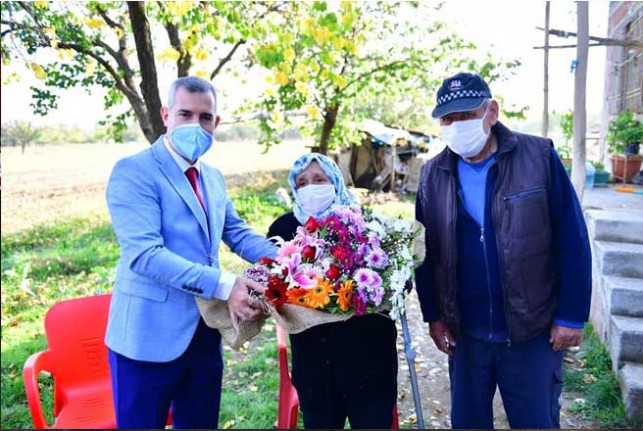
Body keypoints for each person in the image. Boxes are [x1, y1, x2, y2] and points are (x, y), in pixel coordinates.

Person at [414, 72, 592, 429]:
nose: (456, 125)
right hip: (467, 334)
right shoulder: (433, 174)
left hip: (530, 330)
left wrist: (571, 316)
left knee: (535, 422)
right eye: (448, 119)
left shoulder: (538, 157)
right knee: (468, 422)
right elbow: (424, 253)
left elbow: (572, 238)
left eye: (466, 115)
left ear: (491, 112)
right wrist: (433, 315)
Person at [104, 76, 277, 429]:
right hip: (146, 337)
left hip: (204, 331)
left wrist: (289, 257)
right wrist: (225, 285)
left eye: (205, 117)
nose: (194, 125)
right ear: (166, 114)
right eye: (185, 114)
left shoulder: (212, 176)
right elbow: (145, 255)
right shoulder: (134, 171)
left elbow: (236, 232)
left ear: (217, 122)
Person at [267, 153, 398, 429]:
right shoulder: (284, 229)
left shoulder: (367, 224)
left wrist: (373, 288)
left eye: (318, 179)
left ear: (335, 182)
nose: (310, 187)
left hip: (370, 366)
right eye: (302, 182)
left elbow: (399, 282)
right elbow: (272, 284)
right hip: (316, 369)